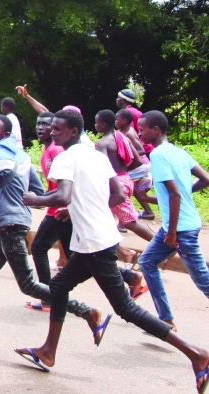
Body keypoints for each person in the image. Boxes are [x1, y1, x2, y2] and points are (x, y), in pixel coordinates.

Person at [18, 110, 209, 386]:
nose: (52, 132)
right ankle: (50, 350)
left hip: (95, 244)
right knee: (59, 286)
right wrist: (78, 212)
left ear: (73, 131)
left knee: (126, 309)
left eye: (58, 128)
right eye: (51, 128)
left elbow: (62, 195)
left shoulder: (65, 158)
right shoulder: (96, 155)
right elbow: (117, 194)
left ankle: (196, 353)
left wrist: (34, 198)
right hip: (96, 239)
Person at [0, 115, 105, 342]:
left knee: (28, 285)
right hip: (17, 221)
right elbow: (37, 190)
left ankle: (86, 311)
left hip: (10, 224)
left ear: (5, 135)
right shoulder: (22, 157)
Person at [137, 110, 209, 331]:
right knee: (147, 262)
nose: (139, 133)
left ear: (155, 130)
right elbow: (205, 179)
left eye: (142, 129)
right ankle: (165, 319)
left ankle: (165, 319)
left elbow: (175, 195)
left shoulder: (158, 155)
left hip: (180, 228)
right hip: (180, 224)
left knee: (203, 281)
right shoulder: (179, 152)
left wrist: (171, 233)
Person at [94, 109, 156, 242]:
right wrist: (123, 172)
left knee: (130, 222)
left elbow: (103, 168)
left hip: (115, 185)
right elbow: (138, 160)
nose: (95, 125)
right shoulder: (122, 137)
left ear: (103, 125)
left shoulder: (102, 143)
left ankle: (162, 246)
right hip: (125, 180)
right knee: (102, 219)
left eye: (96, 123)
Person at [28, 112, 73, 295]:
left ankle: (47, 295)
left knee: (38, 247)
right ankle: (129, 277)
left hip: (59, 209)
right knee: (78, 257)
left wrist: (39, 199)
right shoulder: (47, 150)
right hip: (60, 207)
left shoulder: (56, 150)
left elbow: (67, 185)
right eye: (38, 124)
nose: (41, 128)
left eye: (46, 125)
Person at [116, 108, 155, 219]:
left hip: (139, 165)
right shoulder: (124, 132)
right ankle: (149, 212)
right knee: (139, 193)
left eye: (116, 119)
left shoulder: (129, 133)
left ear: (124, 121)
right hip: (140, 164)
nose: (115, 122)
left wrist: (126, 156)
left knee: (121, 187)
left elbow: (141, 150)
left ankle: (123, 221)